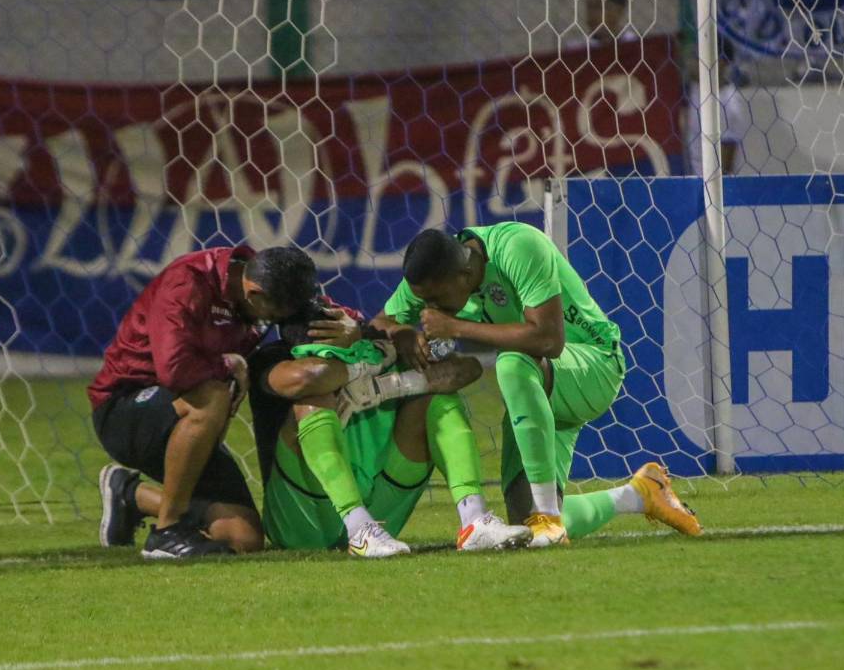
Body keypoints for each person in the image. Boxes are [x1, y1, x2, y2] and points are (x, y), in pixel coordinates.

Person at [374, 223, 703, 547]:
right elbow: (382, 320)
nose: (428, 309)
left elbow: (548, 340)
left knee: (512, 361)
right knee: (523, 526)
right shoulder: (440, 273)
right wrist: (402, 333)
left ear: (463, 274)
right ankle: (641, 493)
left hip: (593, 365)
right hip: (533, 393)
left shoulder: (518, 246)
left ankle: (550, 517)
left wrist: (455, 327)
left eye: (434, 300)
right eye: (423, 302)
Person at [246, 303, 530, 558]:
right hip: (302, 522)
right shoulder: (279, 361)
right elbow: (308, 378)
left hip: (382, 511)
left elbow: (468, 369)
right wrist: (357, 373)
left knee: (439, 397)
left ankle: (474, 521)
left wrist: (385, 385)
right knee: (311, 402)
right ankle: (358, 529)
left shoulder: (381, 349)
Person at [90, 245, 320, 559]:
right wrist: (231, 364)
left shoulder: (274, 277)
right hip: (127, 409)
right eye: (273, 315)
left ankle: (130, 496)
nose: (274, 322)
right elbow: (174, 371)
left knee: (244, 537)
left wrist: (356, 329)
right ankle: (166, 531)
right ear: (253, 293)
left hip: (192, 422)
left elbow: (323, 311)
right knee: (213, 392)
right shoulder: (187, 283)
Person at [685, 37, 747, 176]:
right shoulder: (692, 89)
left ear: (721, 63)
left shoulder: (729, 104)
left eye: (698, 57)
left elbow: (726, 164)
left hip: (704, 184)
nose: (692, 62)